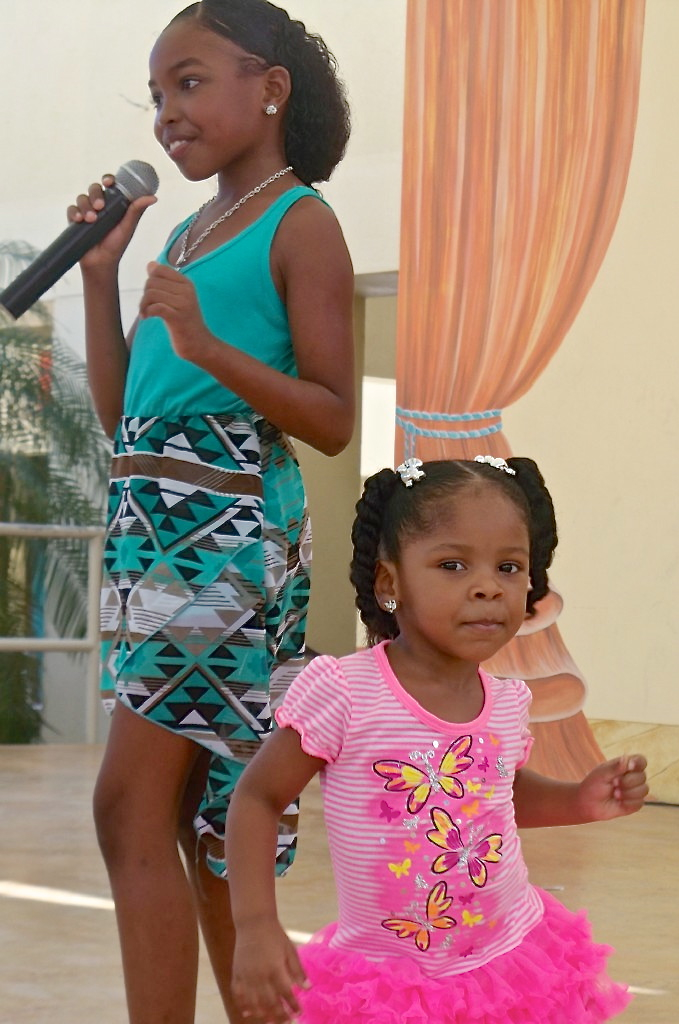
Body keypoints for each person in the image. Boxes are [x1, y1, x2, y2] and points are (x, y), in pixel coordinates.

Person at [69, 2, 354, 1021]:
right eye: (156, 95)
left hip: (221, 535)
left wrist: (208, 345)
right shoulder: (188, 231)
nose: (165, 115)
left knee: (129, 806)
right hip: (157, 523)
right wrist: (103, 280)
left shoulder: (300, 221)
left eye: (187, 83)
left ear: (267, 86)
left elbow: (330, 415)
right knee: (202, 821)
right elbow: (127, 418)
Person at [225, 454, 649, 1024]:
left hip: (509, 960)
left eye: (508, 567)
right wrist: (255, 926)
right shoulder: (346, 692)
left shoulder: (505, 701)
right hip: (389, 983)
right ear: (390, 583)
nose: (486, 589)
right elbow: (257, 800)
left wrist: (577, 800)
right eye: (453, 565)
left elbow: (494, 797)